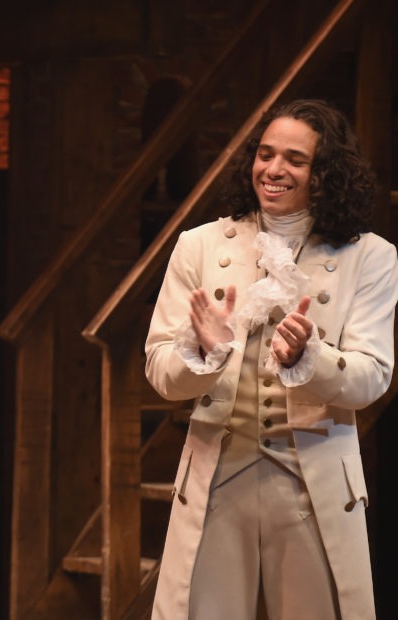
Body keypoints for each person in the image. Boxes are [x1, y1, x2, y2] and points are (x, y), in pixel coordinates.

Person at [146, 99, 396, 619]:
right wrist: (206, 351)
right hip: (218, 477)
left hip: (312, 485)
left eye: (295, 160)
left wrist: (314, 358)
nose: (274, 169)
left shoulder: (370, 256)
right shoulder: (199, 245)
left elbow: (373, 376)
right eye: (265, 154)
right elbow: (159, 370)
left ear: (325, 174)